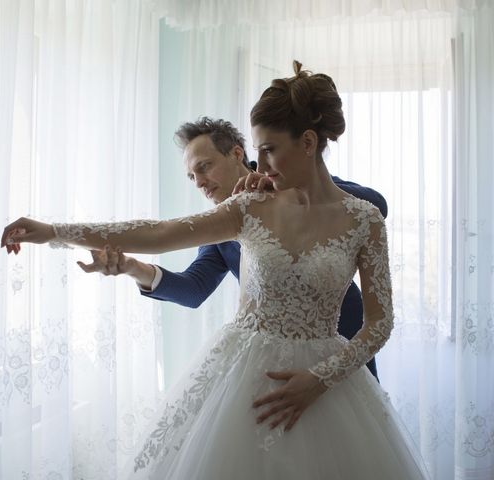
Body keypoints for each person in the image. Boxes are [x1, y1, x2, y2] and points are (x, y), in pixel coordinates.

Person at [1, 61, 429, 479]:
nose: (261, 164)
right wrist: (55, 231)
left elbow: (380, 321)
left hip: (332, 379)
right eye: (258, 152)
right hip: (246, 377)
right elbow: (161, 233)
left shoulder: (364, 217)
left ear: (309, 142)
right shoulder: (247, 208)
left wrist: (319, 380)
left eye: (269, 150)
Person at [76, 116, 386, 379]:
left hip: (343, 336)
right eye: (191, 176)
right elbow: (193, 289)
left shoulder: (293, 179)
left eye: (205, 166)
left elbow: (376, 203)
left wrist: (279, 192)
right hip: (274, 356)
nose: (199, 181)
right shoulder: (222, 225)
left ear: (237, 154)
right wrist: (132, 267)